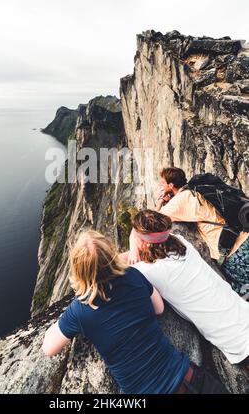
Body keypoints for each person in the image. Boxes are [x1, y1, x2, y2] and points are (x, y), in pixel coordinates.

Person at [42, 230, 228, 394]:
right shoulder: (133, 276)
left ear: (79, 271)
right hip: (188, 378)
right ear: (111, 254)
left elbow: (49, 348)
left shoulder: (81, 310)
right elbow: (159, 308)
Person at [125, 209, 249, 371]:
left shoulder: (148, 271)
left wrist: (133, 246)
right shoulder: (182, 243)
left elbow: (118, 265)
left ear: (144, 242)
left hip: (236, 340)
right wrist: (136, 240)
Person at [155, 167, 249, 296]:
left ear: (171, 185)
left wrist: (160, 201)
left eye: (163, 183)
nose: (161, 185)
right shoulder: (199, 188)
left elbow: (154, 219)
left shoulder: (181, 200)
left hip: (235, 251)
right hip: (244, 233)